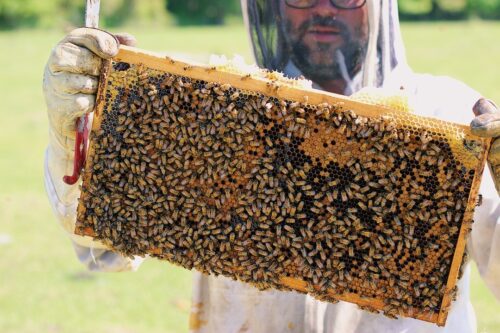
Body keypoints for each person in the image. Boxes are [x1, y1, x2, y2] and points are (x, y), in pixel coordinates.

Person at [43, 0, 499, 332]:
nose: (324, 8)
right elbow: (106, 246)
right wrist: (75, 139)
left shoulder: (452, 117)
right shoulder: (217, 112)